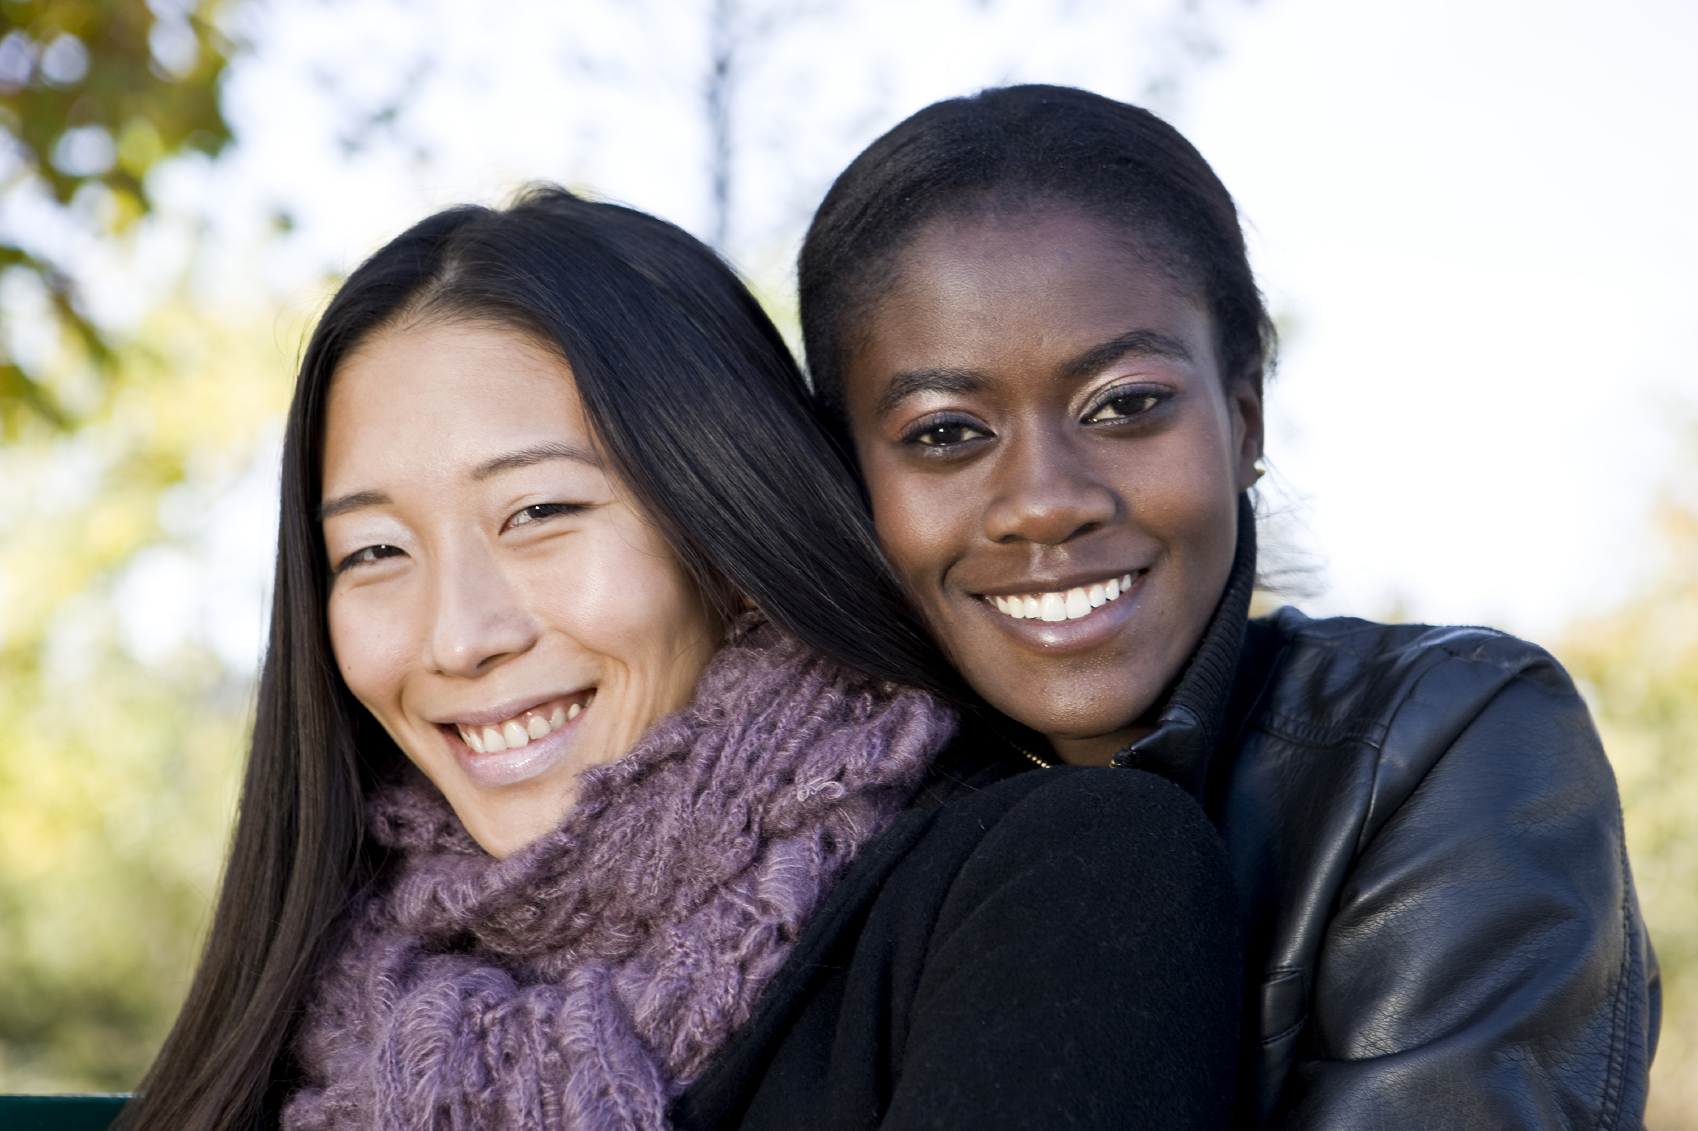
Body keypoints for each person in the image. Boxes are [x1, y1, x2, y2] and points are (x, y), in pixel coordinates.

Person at [114, 187, 1241, 1131]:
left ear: (730, 535)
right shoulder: (314, 1002)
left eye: (540, 511)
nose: (459, 636)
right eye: (373, 550)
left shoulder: (1059, 888)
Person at [798, 85, 1660, 1129]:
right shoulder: (795, 833)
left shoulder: (1437, 745)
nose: (1045, 503)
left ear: (1244, 419)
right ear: (848, 479)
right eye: (945, 432)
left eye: (1125, 405)